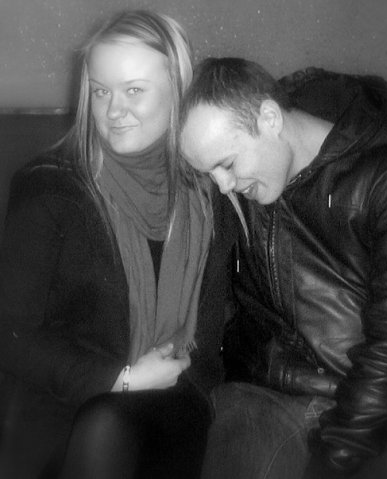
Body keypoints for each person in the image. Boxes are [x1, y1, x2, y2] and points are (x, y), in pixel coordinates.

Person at [178, 57, 387, 478]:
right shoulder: (242, 191)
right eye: (209, 172)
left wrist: (333, 461)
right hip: (264, 399)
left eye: (227, 164)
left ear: (270, 118)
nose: (223, 186)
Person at [0, 11, 232, 479]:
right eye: (101, 91)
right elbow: (11, 336)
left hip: (175, 398)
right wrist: (121, 380)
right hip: (66, 400)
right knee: (104, 423)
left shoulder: (211, 192)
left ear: (178, 90)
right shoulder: (52, 190)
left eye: (134, 91)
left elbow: (217, 336)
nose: (112, 111)